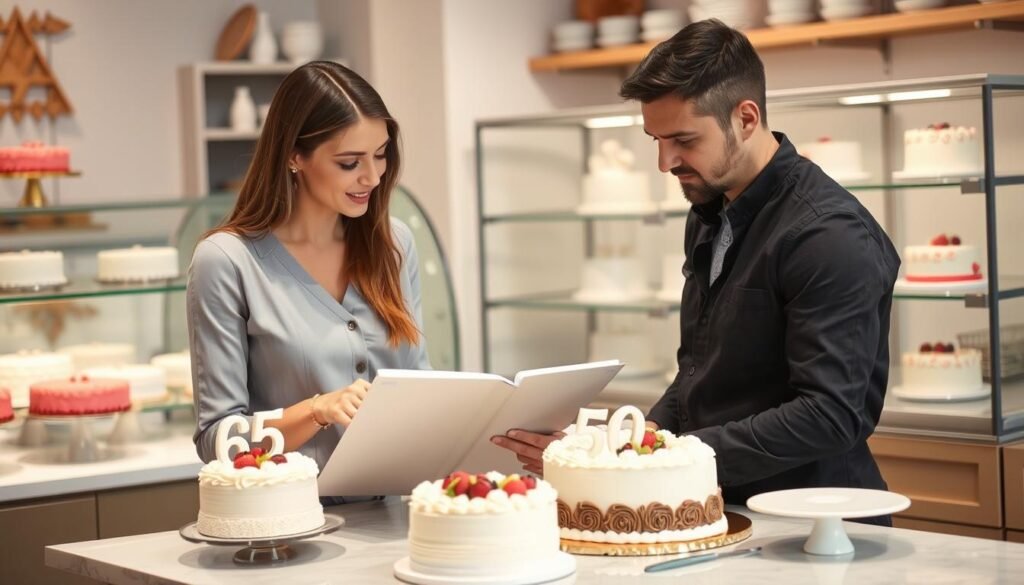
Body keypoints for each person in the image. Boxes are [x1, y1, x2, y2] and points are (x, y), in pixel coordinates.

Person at [492, 19, 900, 525]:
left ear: (746, 118)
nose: (665, 161)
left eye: (683, 139)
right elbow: (698, 374)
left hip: (816, 525)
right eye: (656, 139)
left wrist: (664, 456)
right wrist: (622, 444)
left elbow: (829, 415)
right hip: (720, 507)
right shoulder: (710, 213)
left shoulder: (828, 236)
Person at [187, 61, 430, 499]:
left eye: (381, 154)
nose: (373, 176)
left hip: (400, 519)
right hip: (289, 527)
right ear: (294, 156)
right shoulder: (226, 262)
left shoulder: (394, 244)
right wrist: (315, 411)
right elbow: (217, 439)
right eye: (349, 162)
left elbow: (421, 385)